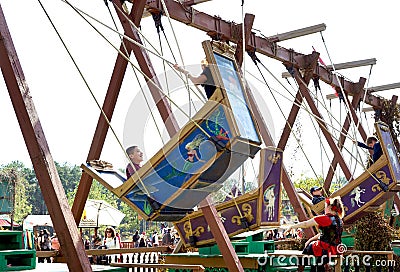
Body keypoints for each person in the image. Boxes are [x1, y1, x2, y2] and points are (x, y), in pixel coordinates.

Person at [286, 196, 344, 272]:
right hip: (335, 248)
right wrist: (311, 239)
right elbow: (325, 234)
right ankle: (319, 266)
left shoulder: (325, 218)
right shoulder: (340, 221)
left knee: (307, 251)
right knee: (319, 263)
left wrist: (292, 226)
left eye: (325, 207)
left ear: (329, 208)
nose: (324, 209)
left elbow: (306, 224)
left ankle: (300, 269)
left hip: (325, 248)